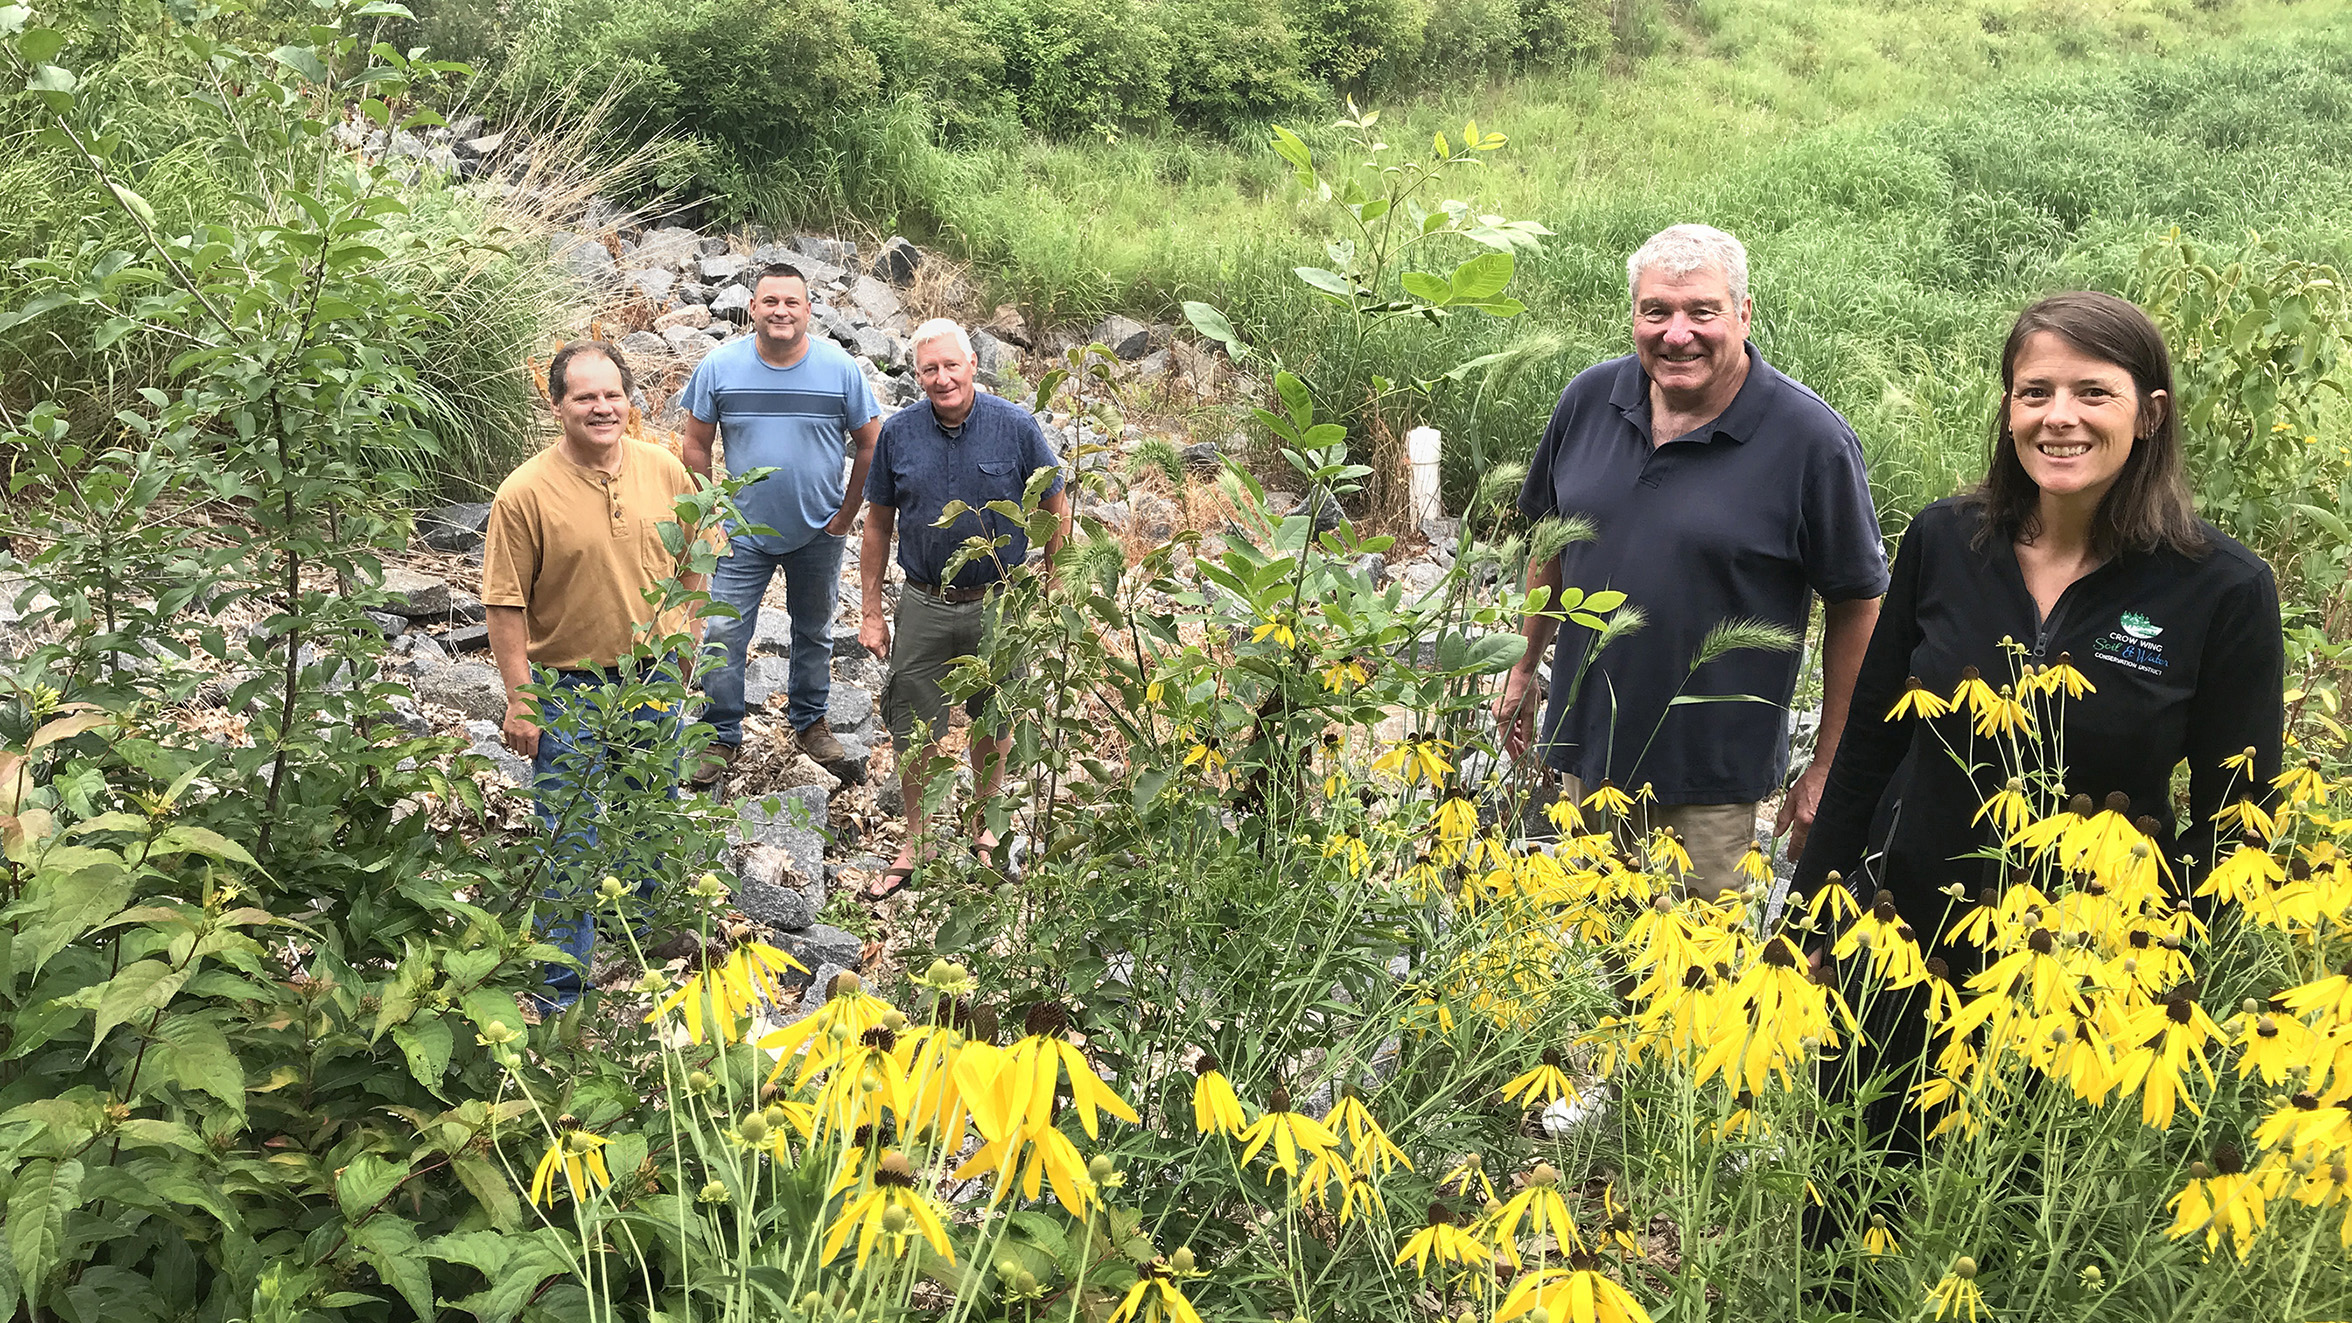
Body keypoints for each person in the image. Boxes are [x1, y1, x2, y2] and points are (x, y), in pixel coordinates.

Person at [1789, 291, 2284, 1260]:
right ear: (2008, 409)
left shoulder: (2220, 588)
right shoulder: (1944, 541)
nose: (2057, 416)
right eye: (2034, 391)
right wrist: (1814, 921)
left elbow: (2236, 824)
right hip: (1902, 950)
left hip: (2080, 981)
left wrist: (2163, 985)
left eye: (2090, 392)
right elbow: (1870, 747)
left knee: (2015, 1236)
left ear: (2150, 414)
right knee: (1845, 1216)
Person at [1492, 224, 1888, 897]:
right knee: (1601, 967)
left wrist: (1829, 763)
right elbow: (1551, 545)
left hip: (1709, 787)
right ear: (1635, 315)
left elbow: (1858, 603)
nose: (1678, 334)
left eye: (1702, 311)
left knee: (1694, 986)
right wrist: (1525, 664)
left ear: (1743, 313)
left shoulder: (1810, 440)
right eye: (1657, 311)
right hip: (1586, 753)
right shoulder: (1587, 401)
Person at [482, 341, 709, 1005]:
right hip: (566, 687)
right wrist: (520, 702)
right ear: (556, 405)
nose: (603, 407)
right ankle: (562, 988)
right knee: (569, 834)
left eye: (613, 394)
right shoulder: (523, 493)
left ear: (629, 399)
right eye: (585, 397)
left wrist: (687, 639)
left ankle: (644, 950)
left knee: (650, 815)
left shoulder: (664, 470)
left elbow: (697, 553)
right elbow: (503, 604)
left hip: (651, 680)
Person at [858, 319, 1070, 898]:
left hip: (997, 603)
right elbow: (877, 523)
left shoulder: (1016, 426)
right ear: (917, 374)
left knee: (994, 716)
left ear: (973, 364)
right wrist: (872, 609)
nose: (942, 378)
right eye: (930, 368)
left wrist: (1057, 578)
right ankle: (920, 838)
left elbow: (1054, 497)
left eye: (952, 365)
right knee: (913, 721)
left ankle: (985, 827)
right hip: (924, 601)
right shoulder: (898, 433)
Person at [680, 263, 881, 787]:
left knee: (813, 630)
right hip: (740, 533)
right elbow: (695, 444)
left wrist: (847, 512)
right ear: (753, 309)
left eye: (791, 302)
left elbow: (871, 441)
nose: (780, 311)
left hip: (819, 530)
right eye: (770, 302)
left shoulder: (840, 369)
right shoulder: (720, 367)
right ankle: (721, 733)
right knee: (723, 631)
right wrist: (711, 513)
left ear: (809, 309)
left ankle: (810, 722)